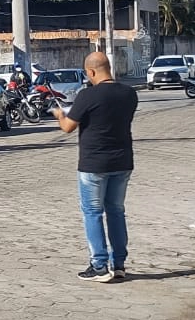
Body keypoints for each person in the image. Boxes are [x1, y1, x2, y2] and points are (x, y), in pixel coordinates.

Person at [52, 51, 138, 283]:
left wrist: (60, 114)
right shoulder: (130, 93)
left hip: (94, 163)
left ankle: (99, 265)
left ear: (91, 72)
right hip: (122, 161)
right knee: (116, 211)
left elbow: (68, 127)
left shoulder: (87, 95)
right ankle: (119, 263)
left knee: (92, 213)